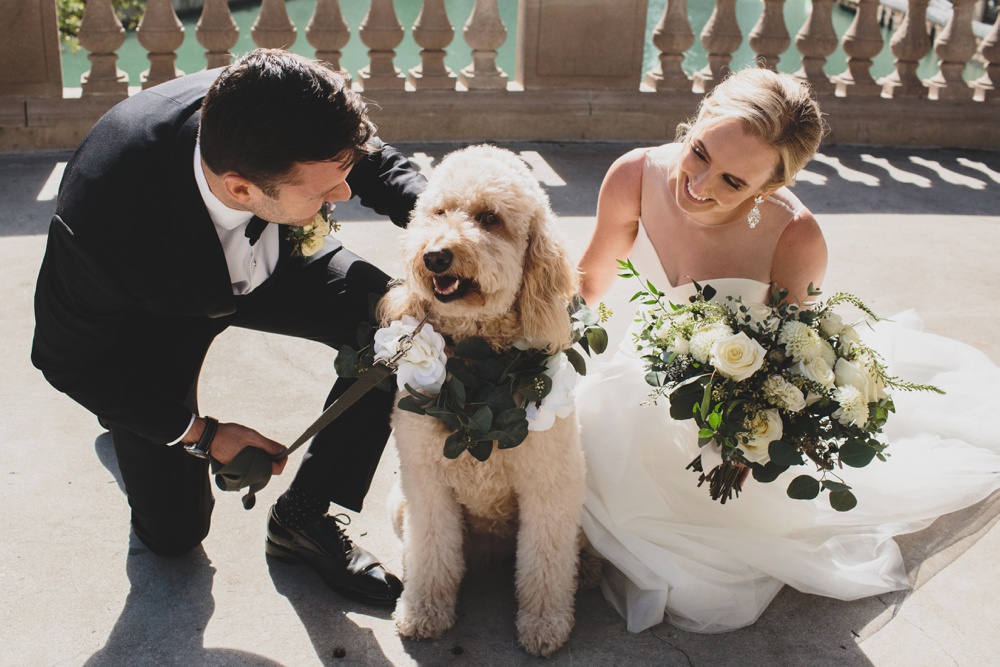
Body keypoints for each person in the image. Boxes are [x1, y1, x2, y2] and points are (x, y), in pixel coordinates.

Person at [575, 67, 1000, 633]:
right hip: (629, 366)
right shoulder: (633, 175)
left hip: (724, 405)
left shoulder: (794, 237)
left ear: (767, 189)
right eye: (699, 152)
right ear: (696, 121)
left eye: (732, 182)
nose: (698, 185)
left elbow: (794, 360)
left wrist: (744, 441)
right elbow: (590, 281)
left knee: (702, 587)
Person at [32, 49, 426, 606]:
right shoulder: (101, 222)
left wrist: (453, 230)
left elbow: (370, 165)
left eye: (343, 178)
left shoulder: (287, 108)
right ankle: (130, 428)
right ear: (242, 189)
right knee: (174, 538)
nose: (344, 196)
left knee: (400, 329)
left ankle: (302, 518)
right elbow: (64, 359)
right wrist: (205, 435)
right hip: (157, 312)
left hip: (278, 261)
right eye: (322, 192)